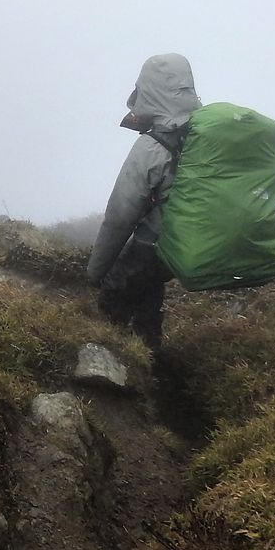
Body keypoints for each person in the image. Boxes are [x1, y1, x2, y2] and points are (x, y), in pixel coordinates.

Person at [86, 53, 201, 351]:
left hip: (154, 246)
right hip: (190, 243)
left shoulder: (152, 147)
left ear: (149, 90)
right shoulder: (204, 136)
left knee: (114, 297)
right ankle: (155, 366)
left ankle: (125, 374)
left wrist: (95, 273)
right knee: (148, 296)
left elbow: (120, 217)